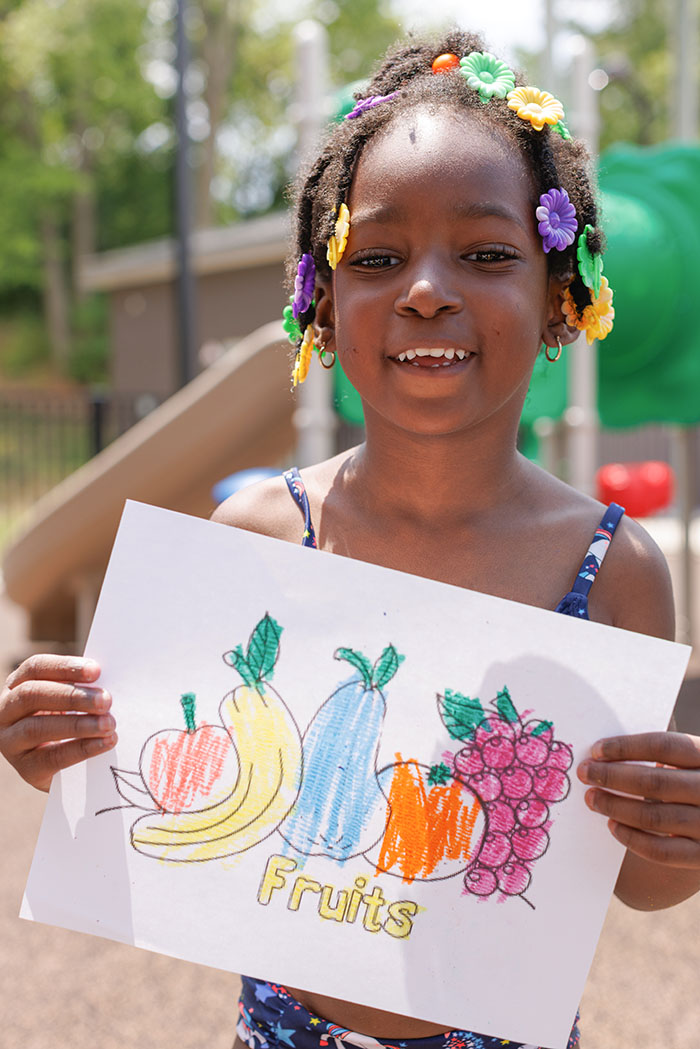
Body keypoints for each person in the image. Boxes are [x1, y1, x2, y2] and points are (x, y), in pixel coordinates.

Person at [2, 28, 700, 1049]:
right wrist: (54, 743)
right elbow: (148, 781)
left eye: (485, 252)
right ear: (319, 301)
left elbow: (636, 881)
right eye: (376, 256)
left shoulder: (613, 567)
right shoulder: (250, 538)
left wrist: (680, 829)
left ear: (559, 293)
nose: (424, 286)